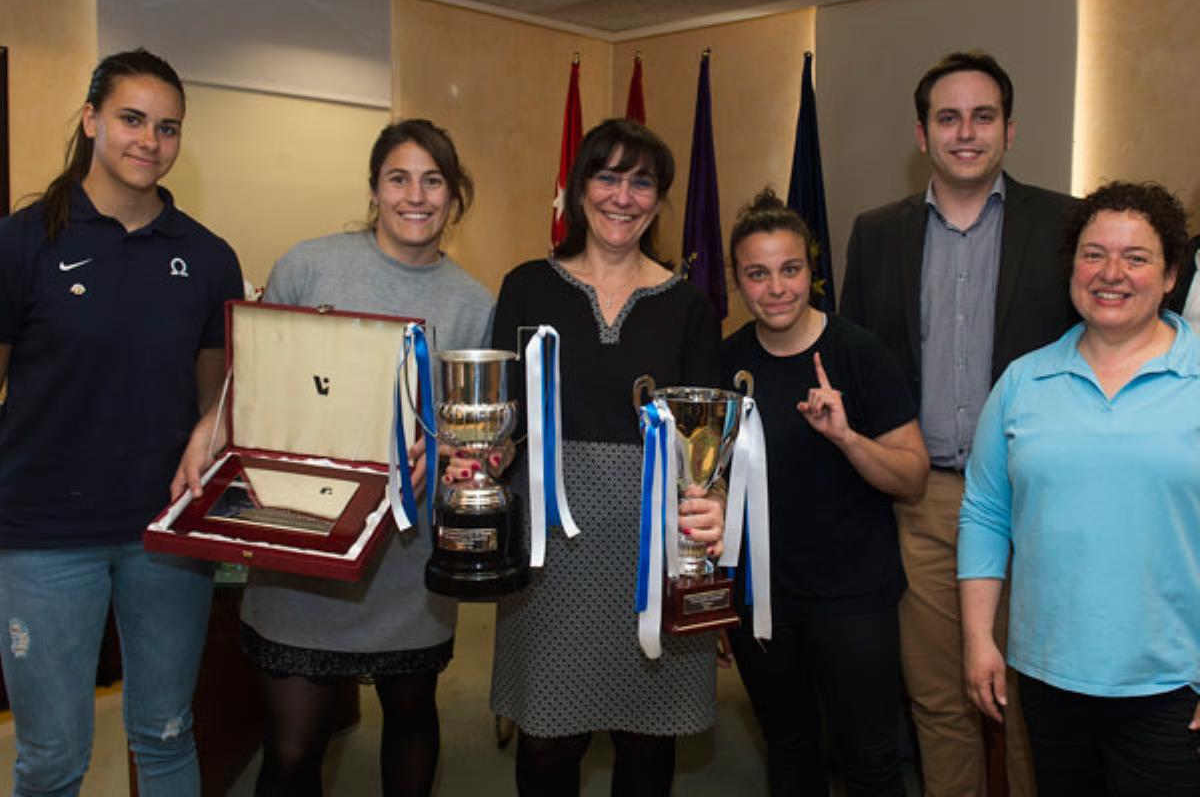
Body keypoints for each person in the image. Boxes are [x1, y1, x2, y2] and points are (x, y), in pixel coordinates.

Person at [0, 49, 243, 795]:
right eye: (132, 120)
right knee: (52, 756)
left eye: (168, 128)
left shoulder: (207, 257)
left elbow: (210, 403)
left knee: (166, 735)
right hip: (41, 537)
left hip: (166, 536)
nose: (150, 141)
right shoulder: (22, 242)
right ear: (91, 120)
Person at [839, 50, 1076, 796]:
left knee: (1035, 700)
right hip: (925, 502)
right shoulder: (876, 233)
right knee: (940, 701)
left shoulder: (1068, 224)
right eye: (948, 117)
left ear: (1011, 129)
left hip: (1040, 499)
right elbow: (859, 364)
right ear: (922, 134)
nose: (965, 132)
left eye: (982, 116)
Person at [237, 119, 493, 797]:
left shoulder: (473, 305)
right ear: (374, 188)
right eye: (399, 178)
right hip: (305, 549)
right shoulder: (309, 265)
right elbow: (257, 386)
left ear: (454, 193)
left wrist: (441, 459)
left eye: (433, 180)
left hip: (405, 562)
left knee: (410, 715)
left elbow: (474, 434)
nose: (417, 196)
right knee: (291, 749)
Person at [488, 118, 725, 796]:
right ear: (579, 188)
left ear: (660, 199)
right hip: (552, 553)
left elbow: (706, 449)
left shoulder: (690, 307)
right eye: (608, 176)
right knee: (546, 742)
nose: (623, 197)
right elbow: (499, 417)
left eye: (642, 181)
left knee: (648, 739)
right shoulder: (527, 286)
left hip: (652, 548)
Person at [958, 181, 1200, 796]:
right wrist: (979, 638)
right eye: (1093, 254)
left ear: (1171, 274)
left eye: (1136, 258)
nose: (1110, 273)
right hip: (1048, 677)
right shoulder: (1023, 381)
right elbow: (986, 514)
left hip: (1174, 684)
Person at [722, 188, 928, 795]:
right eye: (757, 274)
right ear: (737, 281)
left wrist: (847, 439)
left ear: (812, 270)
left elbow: (913, 479)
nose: (777, 287)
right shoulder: (725, 362)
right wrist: (710, 595)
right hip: (763, 599)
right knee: (788, 748)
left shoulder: (859, 353)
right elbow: (708, 487)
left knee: (869, 757)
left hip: (853, 599)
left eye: (790, 269)